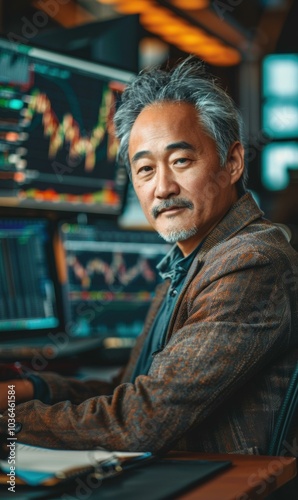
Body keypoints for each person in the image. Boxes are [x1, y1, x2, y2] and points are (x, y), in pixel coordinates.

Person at [0, 58, 297, 455]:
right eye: (144, 169)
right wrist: (31, 389)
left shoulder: (249, 261)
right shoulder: (189, 260)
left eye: (180, 161)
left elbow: (143, 419)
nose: (162, 188)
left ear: (232, 162)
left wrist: (13, 422)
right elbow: (131, 389)